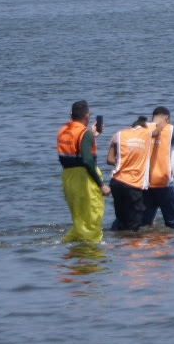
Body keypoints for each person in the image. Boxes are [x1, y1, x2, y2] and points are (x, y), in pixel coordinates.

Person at [57, 100, 110, 242]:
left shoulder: (63, 131)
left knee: (79, 218)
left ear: (71, 115)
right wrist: (101, 185)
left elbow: (73, 151)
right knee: (92, 216)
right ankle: (92, 253)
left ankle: (73, 245)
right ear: (87, 116)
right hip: (85, 179)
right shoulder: (84, 133)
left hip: (68, 177)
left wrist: (91, 136)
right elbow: (87, 160)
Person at [107, 116, 160, 232]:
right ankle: (133, 246)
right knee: (135, 221)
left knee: (121, 217)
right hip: (133, 183)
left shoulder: (119, 134)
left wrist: (123, 163)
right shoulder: (146, 133)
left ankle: (118, 242)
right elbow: (157, 131)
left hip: (116, 182)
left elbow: (109, 160)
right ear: (144, 127)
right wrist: (159, 120)